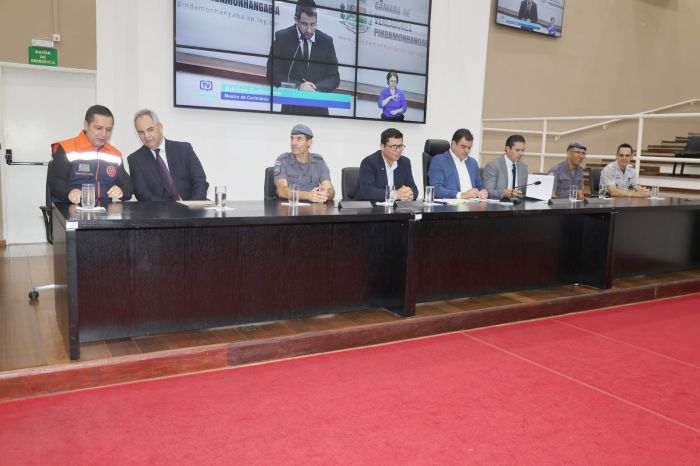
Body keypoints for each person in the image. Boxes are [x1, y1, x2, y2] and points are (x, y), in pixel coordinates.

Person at [266, 0, 340, 116]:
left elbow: (334, 77)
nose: (309, 30)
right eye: (305, 24)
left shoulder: (326, 42)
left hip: (319, 108)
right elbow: (272, 74)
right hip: (291, 107)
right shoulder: (282, 38)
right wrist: (299, 86)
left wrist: (316, 88)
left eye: (313, 24)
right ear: (296, 20)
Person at [49, 104, 132, 204]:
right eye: (98, 128)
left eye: (108, 129)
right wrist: (70, 191)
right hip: (71, 207)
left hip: (105, 210)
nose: (104, 134)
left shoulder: (115, 154)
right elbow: (55, 182)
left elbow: (128, 185)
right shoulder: (66, 148)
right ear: (86, 125)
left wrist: (121, 191)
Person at [127, 109, 209, 201]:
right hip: (160, 209)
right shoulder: (135, 160)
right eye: (141, 132)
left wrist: (192, 205)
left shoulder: (184, 149)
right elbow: (142, 194)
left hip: (193, 205)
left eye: (150, 129)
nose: (146, 136)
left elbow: (200, 181)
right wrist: (170, 209)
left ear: (160, 127)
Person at [273, 124, 335, 203]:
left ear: (309, 142)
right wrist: (308, 195)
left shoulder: (318, 162)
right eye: (292, 138)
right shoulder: (283, 160)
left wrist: (325, 194)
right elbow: (282, 191)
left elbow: (330, 189)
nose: (293, 143)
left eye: (299, 139)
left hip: (312, 209)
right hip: (290, 208)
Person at [355, 128, 418, 202]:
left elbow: (414, 190)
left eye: (400, 146)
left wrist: (409, 194)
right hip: (372, 206)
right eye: (394, 147)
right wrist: (395, 194)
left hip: (395, 207)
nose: (398, 150)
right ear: (382, 147)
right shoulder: (369, 162)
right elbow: (368, 191)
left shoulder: (404, 162)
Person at [427, 128, 488, 200]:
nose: (467, 151)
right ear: (453, 144)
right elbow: (436, 189)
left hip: (473, 204)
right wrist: (461, 195)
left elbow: (480, 186)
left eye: (469, 148)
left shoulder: (472, 162)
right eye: (463, 147)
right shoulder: (439, 161)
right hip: (451, 204)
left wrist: (483, 192)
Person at [483, 134, 529, 200]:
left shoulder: (523, 167)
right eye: (517, 150)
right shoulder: (493, 166)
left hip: (518, 204)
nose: (521, 153)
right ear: (507, 149)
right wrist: (503, 193)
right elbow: (488, 192)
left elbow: (525, 191)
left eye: (522, 150)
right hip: (499, 204)